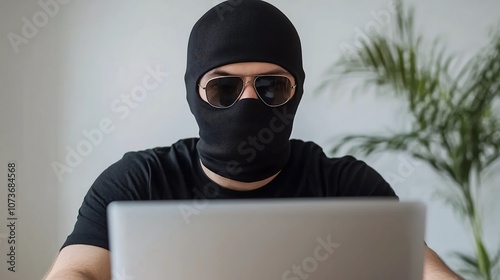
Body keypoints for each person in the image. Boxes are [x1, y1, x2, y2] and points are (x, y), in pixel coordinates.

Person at [44, 1, 462, 279]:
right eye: (224, 89)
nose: (248, 102)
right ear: (194, 93)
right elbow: (76, 270)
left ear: (295, 91)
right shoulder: (138, 182)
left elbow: (425, 271)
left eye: (271, 87)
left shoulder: (348, 186)